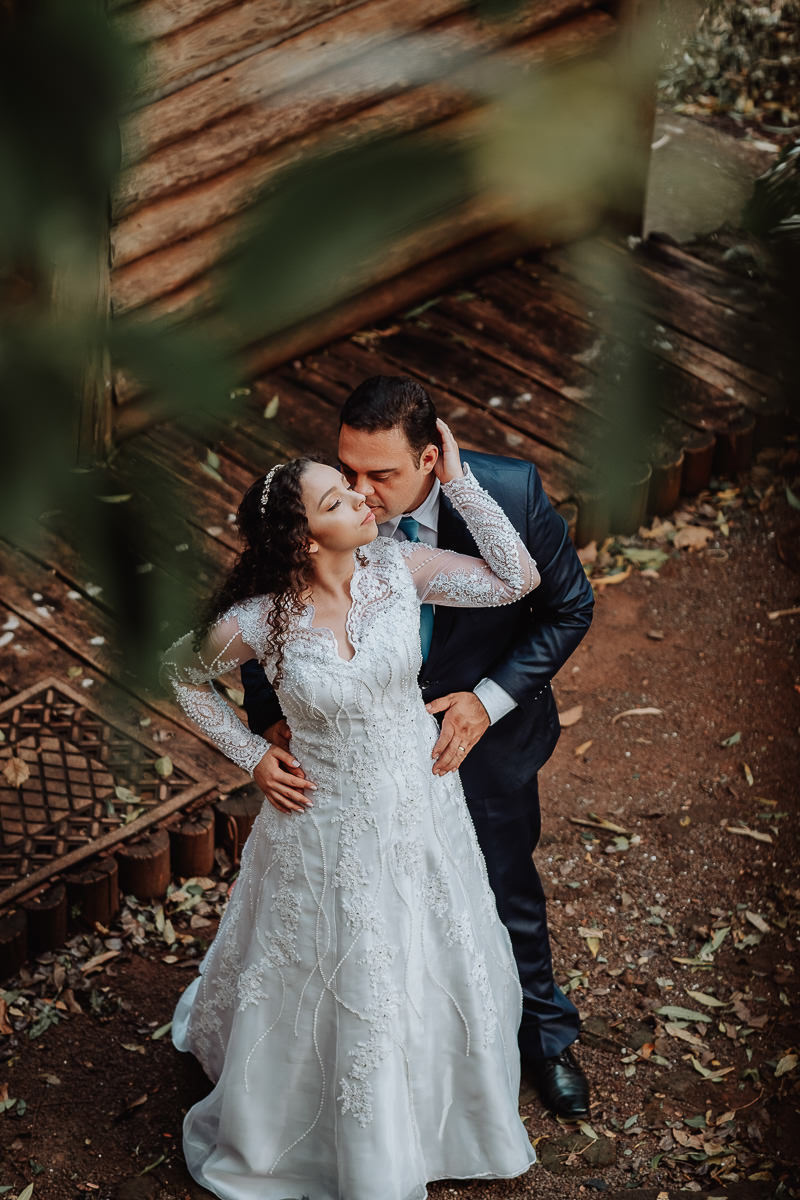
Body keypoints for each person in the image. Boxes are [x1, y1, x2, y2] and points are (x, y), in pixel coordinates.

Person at [162, 421, 539, 1200]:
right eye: (339, 498)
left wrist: (459, 483)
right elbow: (178, 675)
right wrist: (254, 756)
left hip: (418, 805)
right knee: (335, 966)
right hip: (322, 823)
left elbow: (516, 579)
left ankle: (441, 1113)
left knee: (431, 954)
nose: (364, 499)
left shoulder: (398, 568)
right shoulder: (259, 620)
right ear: (304, 538)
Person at [242, 376, 595, 1119]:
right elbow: (268, 595)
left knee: (501, 886)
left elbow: (567, 606)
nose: (361, 493)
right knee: (364, 907)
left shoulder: (514, 493)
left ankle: (543, 1039)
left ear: (432, 459)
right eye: (349, 472)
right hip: (354, 757)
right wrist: (268, 708)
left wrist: (487, 701)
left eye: (382, 476)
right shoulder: (323, 505)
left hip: (478, 736)